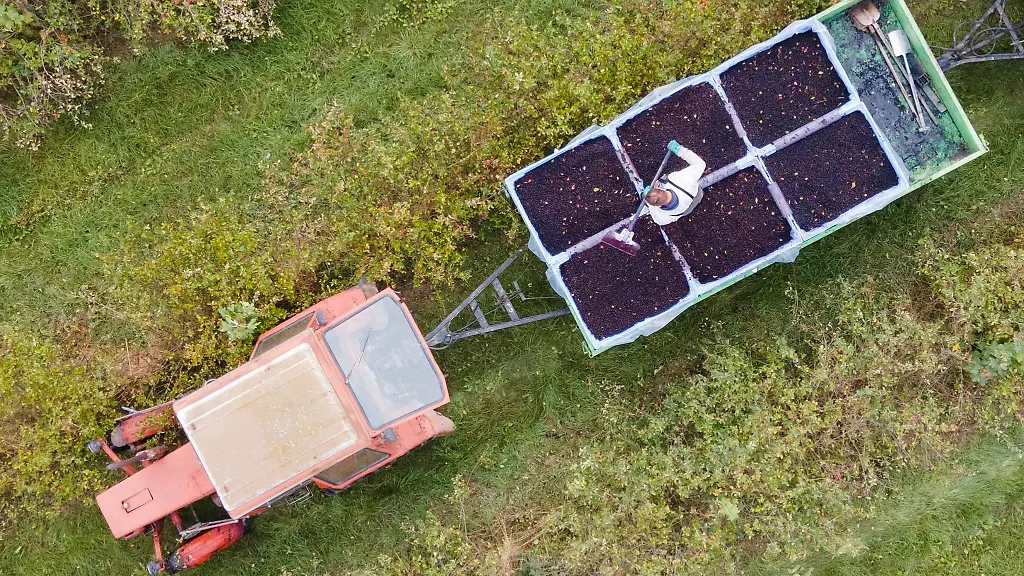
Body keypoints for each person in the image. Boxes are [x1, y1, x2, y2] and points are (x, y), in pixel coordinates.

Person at [645, 143, 706, 226]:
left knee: (687, 210)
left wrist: (649, 203)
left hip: (684, 210)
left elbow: (656, 218)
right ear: (662, 189)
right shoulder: (682, 180)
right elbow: (700, 164)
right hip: (695, 195)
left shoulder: (662, 217)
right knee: (699, 196)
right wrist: (680, 150)